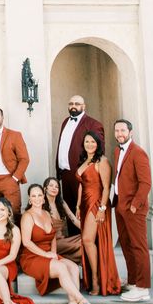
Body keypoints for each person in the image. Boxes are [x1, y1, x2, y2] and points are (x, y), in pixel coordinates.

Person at [19, 183, 100, 304]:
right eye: (34, 196)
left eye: (39, 195)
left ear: (44, 198)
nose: (37, 198)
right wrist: (46, 255)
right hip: (32, 257)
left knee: (73, 267)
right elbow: (26, 242)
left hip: (49, 255)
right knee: (62, 267)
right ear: (29, 199)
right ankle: (82, 302)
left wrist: (54, 254)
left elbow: (53, 238)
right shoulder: (27, 216)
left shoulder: (46, 214)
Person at [75, 132, 121, 296]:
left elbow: (107, 187)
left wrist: (102, 209)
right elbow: (81, 184)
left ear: (98, 143)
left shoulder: (102, 161)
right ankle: (93, 278)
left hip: (97, 203)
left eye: (92, 141)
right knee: (88, 240)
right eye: (87, 141)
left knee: (87, 240)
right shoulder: (83, 161)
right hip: (85, 204)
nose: (89, 144)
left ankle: (96, 279)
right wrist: (78, 205)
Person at [112, 118, 152, 302]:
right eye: (117, 131)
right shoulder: (117, 151)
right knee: (127, 246)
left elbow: (145, 183)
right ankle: (134, 282)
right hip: (120, 206)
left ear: (130, 132)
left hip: (134, 209)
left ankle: (143, 289)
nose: (120, 134)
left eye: (123, 131)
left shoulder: (138, 153)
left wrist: (134, 205)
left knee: (139, 247)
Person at [55, 94, 105, 232]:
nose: (73, 106)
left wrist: (87, 172)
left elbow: (99, 151)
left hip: (82, 175)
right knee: (70, 210)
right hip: (65, 174)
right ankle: (74, 242)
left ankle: (86, 244)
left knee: (83, 210)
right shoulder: (65, 122)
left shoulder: (93, 124)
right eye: (71, 104)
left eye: (77, 104)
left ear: (84, 106)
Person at [42, 176, 81, 264]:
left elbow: (74, 219)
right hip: (52, 242)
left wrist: (88, 231)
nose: (54, 188)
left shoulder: (61, 203)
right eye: (51, 185)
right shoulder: (42, 204)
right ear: (45, 189)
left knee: (86, 239)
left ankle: (65, 259)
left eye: (56, 186)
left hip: (64, 240)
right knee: (81, 245)